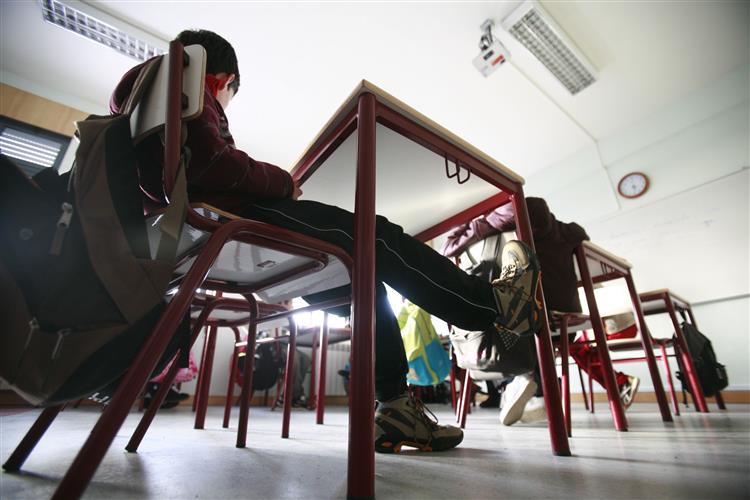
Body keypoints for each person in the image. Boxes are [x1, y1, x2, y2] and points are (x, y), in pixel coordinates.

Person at [111, 29, 543, 454]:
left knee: (363, 281)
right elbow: (214, 165)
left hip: (185, 239)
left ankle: (395, 408)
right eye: (228, 99)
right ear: (225, 81)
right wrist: (284, 183)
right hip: (223, 224)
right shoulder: (186, 77)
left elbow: (192, 169)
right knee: (375, 235)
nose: (223, 107)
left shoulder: (137, 104)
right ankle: (493, 305)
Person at [441, 197, 639, 425]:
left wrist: (473, 222)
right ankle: (531, 388)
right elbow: (580, 232)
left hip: (523, 314)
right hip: (567, 314)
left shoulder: (501, 221)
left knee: (507, 323)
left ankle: (524, 384)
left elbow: (448, 247)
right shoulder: (564, 231)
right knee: (556, 340)